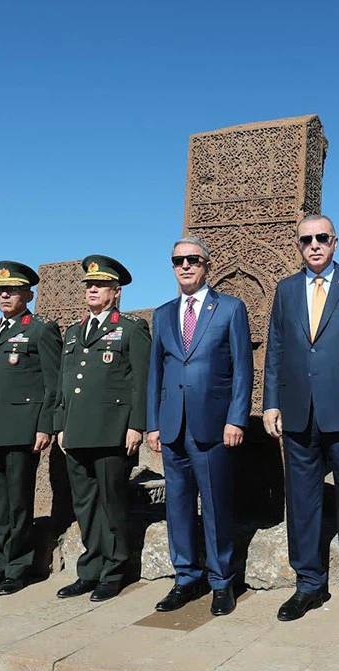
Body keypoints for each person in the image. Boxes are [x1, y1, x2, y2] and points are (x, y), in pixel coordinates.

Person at [262, 213, 339, 630]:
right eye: (305, 240)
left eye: (322, 238)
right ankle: (309, 583)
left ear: (335, 242)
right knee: (301, 504)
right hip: (298, 412)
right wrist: (271, 404)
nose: (313, 245)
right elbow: (276, 349)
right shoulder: (286, 289)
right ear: (297, 245)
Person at [146, 237, 253, 617]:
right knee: (176, 506)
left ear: (207, 265)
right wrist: (153, 424)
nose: (185, 266)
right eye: (178, 261)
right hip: (173, 425)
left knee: (215, 504)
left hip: (213, 425)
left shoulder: (229, 308)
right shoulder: (162, 314)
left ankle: (222, 581)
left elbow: (243, 368)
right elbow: (155, 372)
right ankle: (186, 578)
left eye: (193, 260)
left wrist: (236, 418)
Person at [53, 254, 150, 603]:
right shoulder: (74, 332)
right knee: (86, 507)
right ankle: (89, 570)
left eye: (100, 284)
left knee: (112, 504)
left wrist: (136, 425)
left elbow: (142, 381)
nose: (92, 289)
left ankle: (114, 570)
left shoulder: (130, 328)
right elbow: (66, 383)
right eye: (88, 285)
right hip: (77, 432)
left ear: (116, 291)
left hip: (113, 432)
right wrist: (61, 425)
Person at [0, 261, 62, 596]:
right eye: (0, 291)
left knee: (19, 502)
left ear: (28, 294)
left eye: (12, 290)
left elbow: (53, 383)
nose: (5, 295)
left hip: (22, 429)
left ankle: (17, 568)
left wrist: (44, 426)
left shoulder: (40, 329)